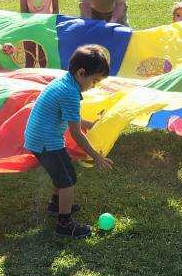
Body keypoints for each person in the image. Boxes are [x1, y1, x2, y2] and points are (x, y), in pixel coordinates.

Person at [23, 45, 115, 238]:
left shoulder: (65, 82)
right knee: (68, 180)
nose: (94, 85)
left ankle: (56, 205)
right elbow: (76, 134)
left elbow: (71, 117)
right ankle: (64, 224)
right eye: (94, 80)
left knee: (61, 175)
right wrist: (96, 156)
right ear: (81, 73)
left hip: (40, 138)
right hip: (47, 142)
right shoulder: (69, 93)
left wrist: (89, 123)